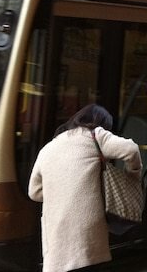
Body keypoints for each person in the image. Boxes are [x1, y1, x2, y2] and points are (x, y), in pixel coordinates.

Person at [28, 104, 141, 272]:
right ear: (101, 123)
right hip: (86, 230)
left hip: (56, 233)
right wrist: (133, 174)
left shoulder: (48, 148)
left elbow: (34, 192)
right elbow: (131, 150)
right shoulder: (95, 135)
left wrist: (61, 189)